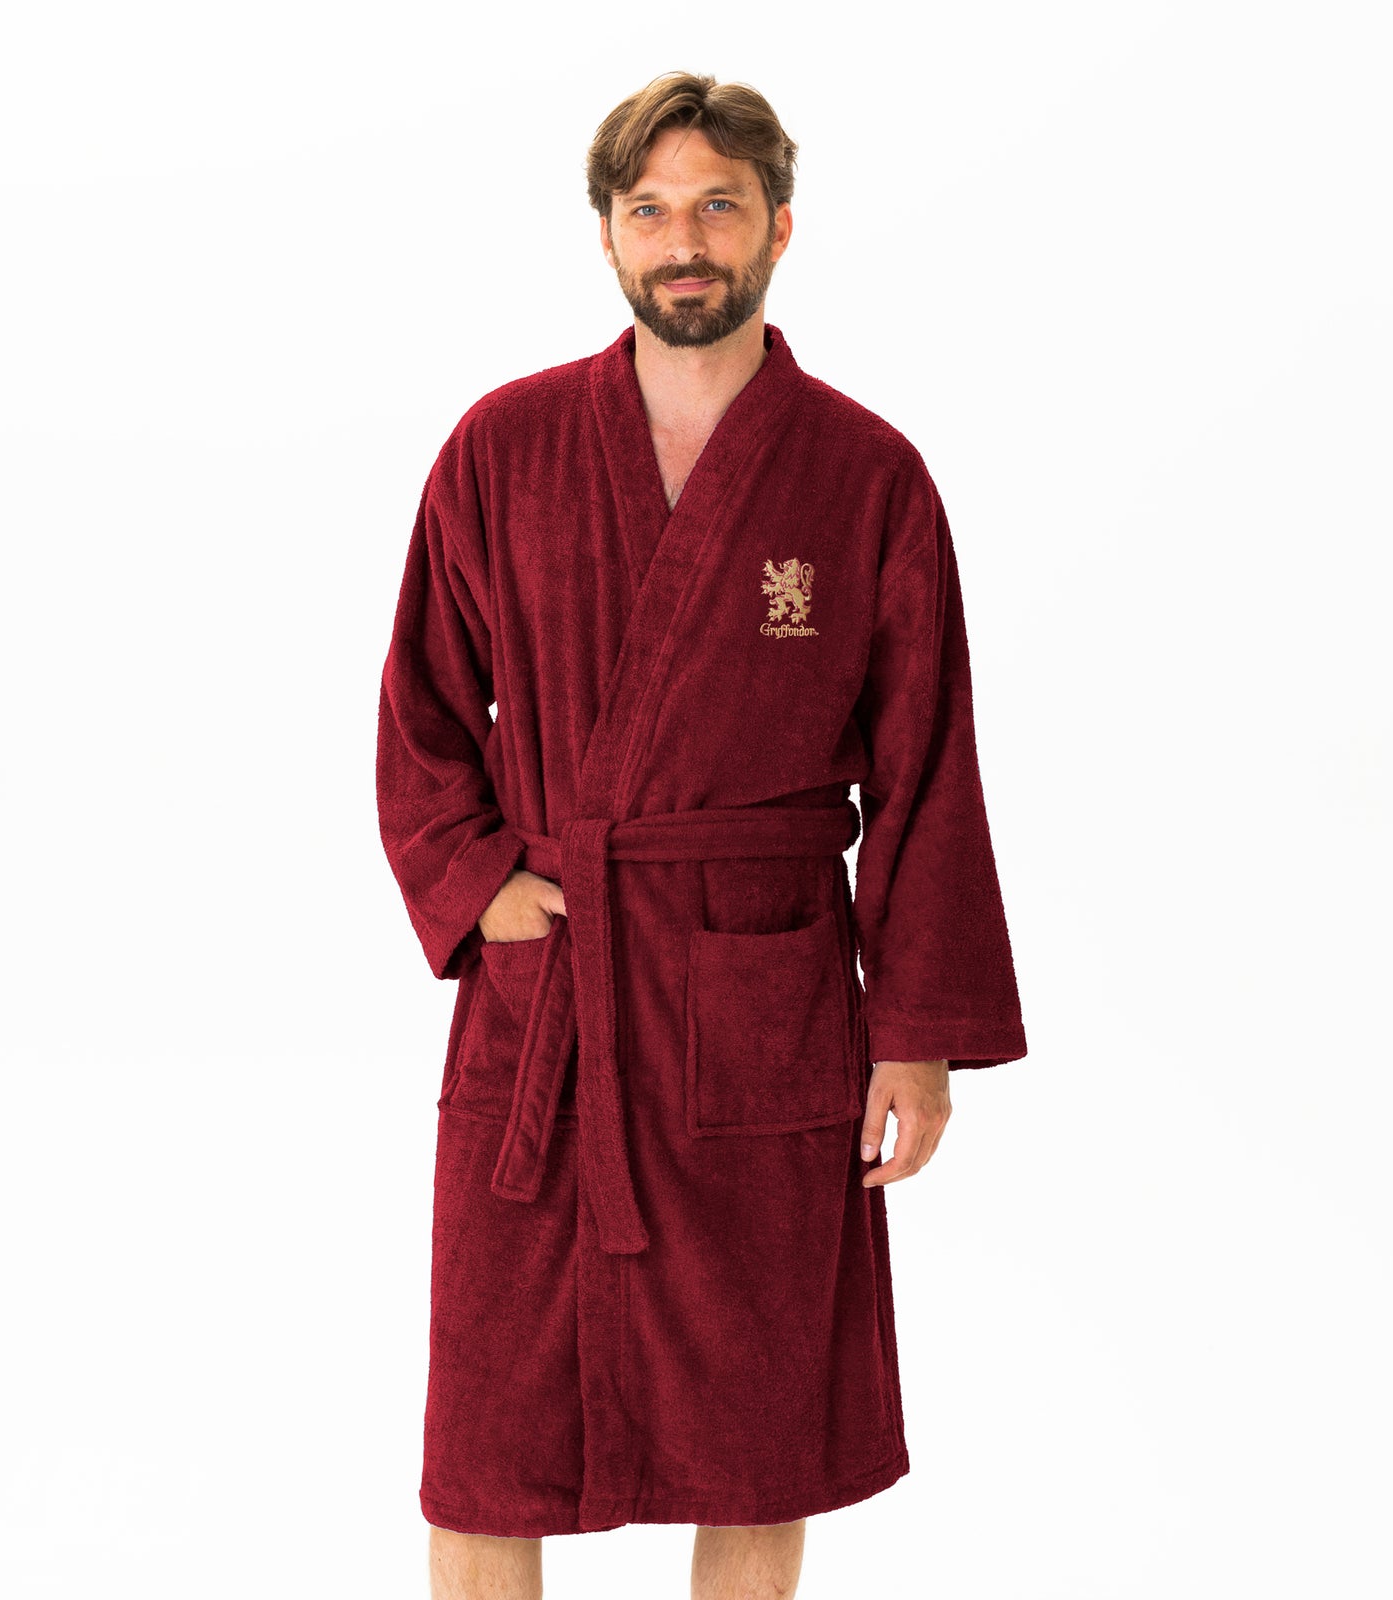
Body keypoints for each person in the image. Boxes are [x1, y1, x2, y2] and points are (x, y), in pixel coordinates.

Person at [375, 69, 1027, 1600]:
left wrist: (916, 1038)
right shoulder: (504, 448)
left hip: (765, 999)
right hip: (554, 1000)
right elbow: (420, 708)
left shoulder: (866, 475)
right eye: (651, 209)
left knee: (759, 1424)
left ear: (779, 227)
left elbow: (928, 766)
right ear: (608, 234)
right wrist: (480, 881)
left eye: (718, 207)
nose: (685, 241)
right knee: (492, 1428)